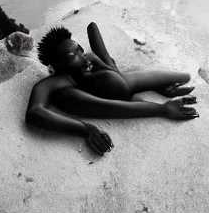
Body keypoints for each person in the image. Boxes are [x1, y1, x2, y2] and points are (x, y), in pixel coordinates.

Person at [25, 22, 199, 155]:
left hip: (126, 82)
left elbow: (107, 57)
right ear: (58, 65)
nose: (81, 54)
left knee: (184, 77)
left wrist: (159, 87)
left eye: (79, 48)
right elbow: (34, 112)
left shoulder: (89, 58)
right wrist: (85, 129)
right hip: (116, 97)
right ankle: (160, 103)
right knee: (122, 103)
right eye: (73, 55)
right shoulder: (61, 82)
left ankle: (163, 90)